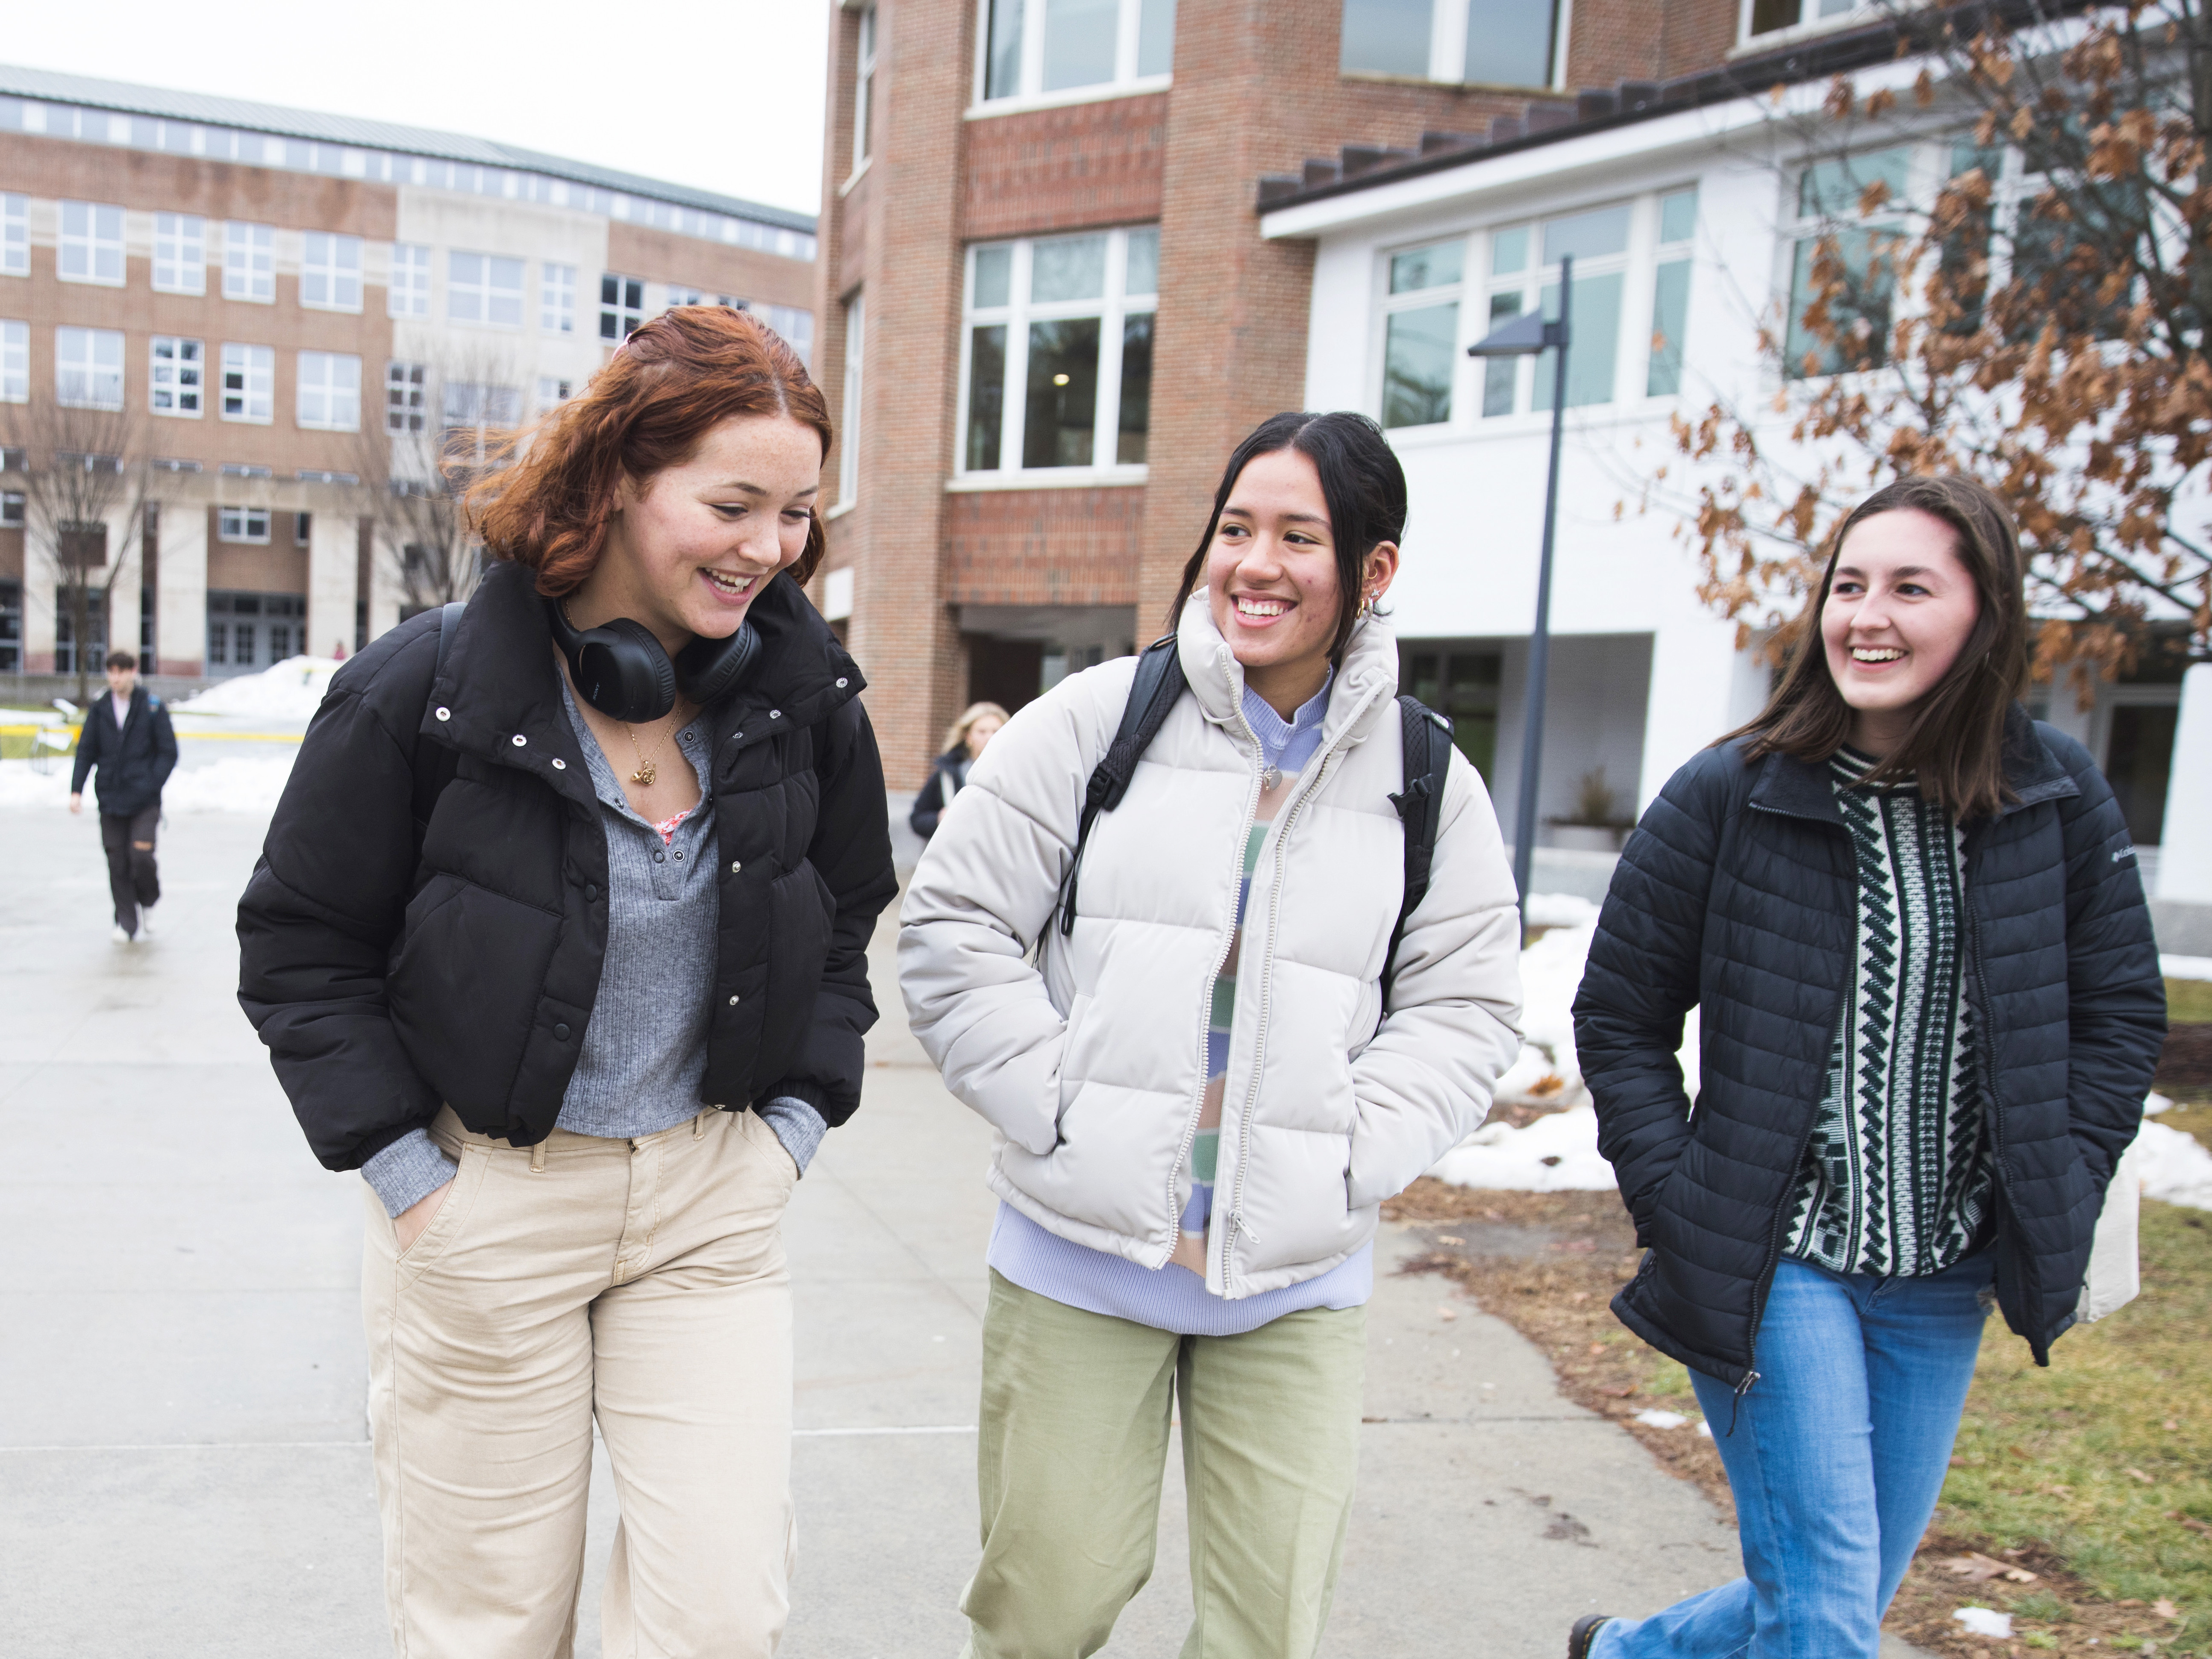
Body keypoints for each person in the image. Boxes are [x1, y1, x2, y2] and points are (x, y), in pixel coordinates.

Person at [237, 307, 897, 1657]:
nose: (770, 549)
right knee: (486, 1626)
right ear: (614, 480)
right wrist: (417, 1190)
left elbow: (845, 923)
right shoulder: (420, 690)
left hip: (710, 1207)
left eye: (795, 512)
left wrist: (788, 1135)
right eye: (733, 503)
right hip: (488, 1210)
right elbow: (302, 946)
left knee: (716, 1615)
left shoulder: (806, 697)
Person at [900, 410, 1523, 1658]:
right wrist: (1060, 1103)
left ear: (1374, 570)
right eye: (1237, 528)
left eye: (1300, 535)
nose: (1256, 563)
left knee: (1264, 1632)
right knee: (1047, 1606)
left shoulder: (1425, 775)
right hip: (1080, 1256)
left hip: (1293, 1282)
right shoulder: (1093, 721)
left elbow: (1467, 1002)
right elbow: (955, 928)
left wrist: (1349, 1150)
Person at [1568, 476, 2166, 1659]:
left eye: (1910, 588)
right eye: (1848, 586)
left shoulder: (2052, 796)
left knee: (1835, 1593)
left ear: (1984, 617)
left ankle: (1633, 1654)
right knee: (1829, 1617)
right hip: (1772, 1261)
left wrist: (2068, 1171)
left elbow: (2120, 1011)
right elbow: (1620, 1015)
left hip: (1943, 1271)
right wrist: (1679, 1201)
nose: (1867, 616)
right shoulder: (1729, 792)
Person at [69, 648, 177, 943]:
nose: (115, 678)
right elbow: (86, 751)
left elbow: (169, 752)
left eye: (121, 672)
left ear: (132, 672)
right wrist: (76, 791)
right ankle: (127, 922)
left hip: (144, 800)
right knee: (117, 861)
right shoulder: (101, 708)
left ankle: (149, 900)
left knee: (141, 856)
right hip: (111, 799)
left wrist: (151, 784)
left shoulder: (152, 707)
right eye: (111, 672)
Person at [908, 700, 1007, 838]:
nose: (989, 737)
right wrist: (939, 819)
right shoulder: (947, 774)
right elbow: (917, 819)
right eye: (982, 731)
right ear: (968, 737)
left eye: (996, 731)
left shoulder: (1014, 774)